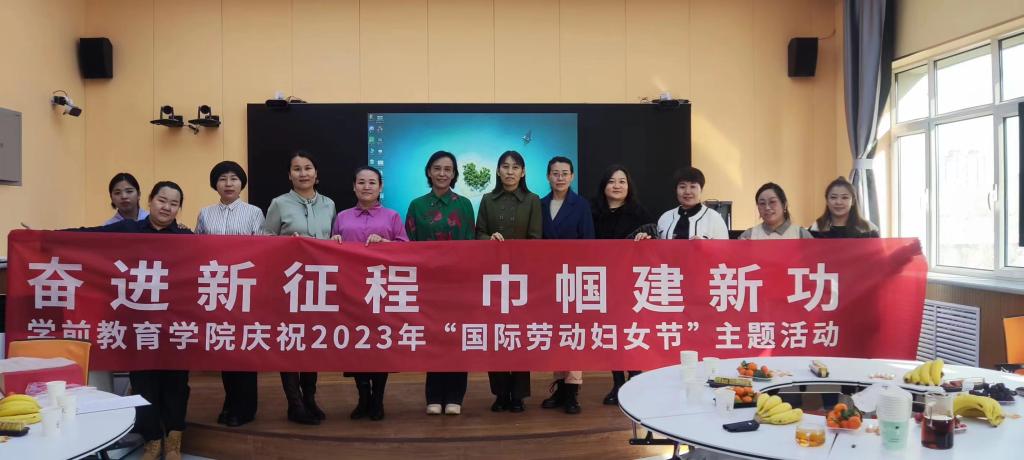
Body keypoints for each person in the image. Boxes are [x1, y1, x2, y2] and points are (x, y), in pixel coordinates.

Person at [71, 182, 191, 460]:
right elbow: (87, 237)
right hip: (138, 324)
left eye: (174, 203)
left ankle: (174, 440)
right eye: (162, 200)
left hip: (174, 325)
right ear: (149, 200)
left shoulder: (186, 238)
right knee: (143, 382)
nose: (166, 207)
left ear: (179, 209)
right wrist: (43, 237)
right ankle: (152, 440)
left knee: (176, 383)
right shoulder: (128, 230)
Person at [263, 151, 336, 425]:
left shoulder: (329, 204)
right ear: (289, 175)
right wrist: (285, 244)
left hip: (319, 284)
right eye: (297, 169)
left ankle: (310, 399)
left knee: (311, 342)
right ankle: (294, 404)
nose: (303, 173)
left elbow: (332, 239)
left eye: (308, 168)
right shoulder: (279, 204)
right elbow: (265, 239)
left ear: (316, 174)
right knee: (291, 342)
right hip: (290, 284)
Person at [333, 166, 409, 421]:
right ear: (353, 186)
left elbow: (406, 249)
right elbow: (331, 250)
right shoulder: (342, 217)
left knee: (379, 346)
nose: (367, 187)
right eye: (361, 182)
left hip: (381, 290)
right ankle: (362, 397)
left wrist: (386, 244)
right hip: (349, 290)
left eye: (372, 182)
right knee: (357, 345)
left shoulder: (392, 216)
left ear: (380, 187)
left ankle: (378, 399)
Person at [195, 161, 265, 428]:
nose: (228, 183)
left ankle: (245, 407)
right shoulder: (205, 213)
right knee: (225, 347)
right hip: (217, 288)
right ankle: (230, 401)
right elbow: (196, 249)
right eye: (222, 178)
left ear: (241, 183)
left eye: (234, 178)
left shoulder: (254, 212)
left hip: (245, 287)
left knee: (244, 347)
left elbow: (263, 249)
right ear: (215, 184)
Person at [405, 151, 475, 416]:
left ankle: (456, 395)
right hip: (429, 285)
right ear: (428, 172)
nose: (442, 173)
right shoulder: (417, 205)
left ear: (454, 174)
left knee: (457, 338)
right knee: (434, 338)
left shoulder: (464, 205)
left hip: (458, 285)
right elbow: (409, 246)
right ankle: (433, 395)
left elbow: (471, 245)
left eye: (448, 169)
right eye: (437, 168)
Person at [476, 150, 542, 413]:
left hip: (522, 278)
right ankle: (500, 393)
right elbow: (478, 233)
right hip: (493, 278)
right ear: (498, 171)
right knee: (497, 334)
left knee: (520, 335)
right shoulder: (487, 199)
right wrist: (488, 239)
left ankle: (519, 395)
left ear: (523, 172)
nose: (510, 171)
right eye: (505, 166)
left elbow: (536, 239)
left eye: (515, 167)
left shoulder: (532, 200)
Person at [590, 165, 653, 405]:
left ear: (629, 186)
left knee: (632, 332)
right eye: (611, 181)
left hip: (632, 283)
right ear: (603, 186)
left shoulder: (640, 213)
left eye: (622, 181)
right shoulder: (592, 211)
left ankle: (635, 380)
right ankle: (617, 383)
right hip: (604, 282)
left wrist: (646, 239)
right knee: (611, 334)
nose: (617, 186)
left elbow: (654, 243)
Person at [539, 156, 593, 415]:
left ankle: (572, 391)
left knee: (573, 333)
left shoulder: (581, 205)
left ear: (572, 176)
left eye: (564, 173)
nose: (559, 178)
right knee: (556, 334)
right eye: (555, 173)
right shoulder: (540, 204)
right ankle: (559, 387)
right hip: (547, 278)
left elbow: (589, 242)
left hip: (573, 277)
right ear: (548, 176)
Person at [639, 167, 728, 240]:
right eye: (682, 187)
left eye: (693, 186)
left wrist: (705, 246)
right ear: (676, 190)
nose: (687, 192)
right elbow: (657, 250)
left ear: (701, 190)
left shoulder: (714, 218)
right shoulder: (665, 217)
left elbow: (724, 251)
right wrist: (646, 240)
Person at [738, 182, 814, 240]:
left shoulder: (801, 235)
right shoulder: (749, 235)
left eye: (772, 202)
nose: (767, 207)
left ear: (784, 205)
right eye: (762, 203)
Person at [810, 176, 879, 238]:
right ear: (827, 201)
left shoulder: (868, 230)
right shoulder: (816, 229)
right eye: (833, 197)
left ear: (853, 201)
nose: (838, 202)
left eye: (845, 197)